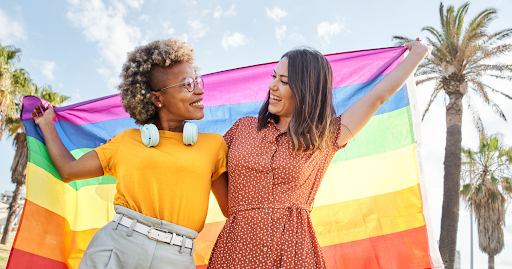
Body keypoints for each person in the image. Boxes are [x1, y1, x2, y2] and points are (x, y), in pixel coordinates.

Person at [207, 39, 431, 268]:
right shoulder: (241, 129)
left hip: (294, 254)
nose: (272, 86)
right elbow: (213, 176)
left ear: (306, 90)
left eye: (284, 81)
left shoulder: (326, 137)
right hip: (235, 251)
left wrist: (417, 55)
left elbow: (377, 98)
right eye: (273, 77)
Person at [32, 38, 229, 269]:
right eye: (187, 84)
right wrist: (46, 124)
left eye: (197, 81)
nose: (199, 90)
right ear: (157, 98)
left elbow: (231, 210)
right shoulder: (126, 140)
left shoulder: (214, 146)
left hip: (176, 257)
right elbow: (68, 171)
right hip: (116, 248)